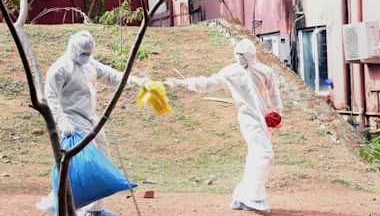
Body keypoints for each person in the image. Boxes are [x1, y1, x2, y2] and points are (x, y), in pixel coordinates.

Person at [36, 30, 149, 216]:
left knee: (101, 159)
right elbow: (51, 98)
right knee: (84, 166)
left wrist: (136, 81)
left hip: (91, 119)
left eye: (89, 54)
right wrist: (61, 121)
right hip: (72, 122)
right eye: (83, 54)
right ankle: (68, 205)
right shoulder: (60, 69)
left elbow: (112, 76)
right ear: (74, 50)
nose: (86, 57)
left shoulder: (90, 65)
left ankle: (95, 209)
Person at [165, 39, 283, 212]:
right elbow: (207, 83)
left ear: (250, 55)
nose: (240, 58)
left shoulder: (265, 71)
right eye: (237, 55)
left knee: (255, 156)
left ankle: (240, 196)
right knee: (265, 154)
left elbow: (274, 93)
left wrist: (278, 113)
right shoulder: (230, 71)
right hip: (248, 119)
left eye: (243, 55)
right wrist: (182, 82)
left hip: (263, 120)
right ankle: (254, 198)